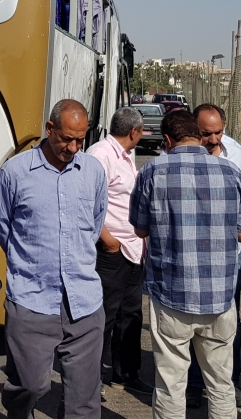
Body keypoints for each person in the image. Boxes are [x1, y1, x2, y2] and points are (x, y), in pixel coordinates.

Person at [0, 99, 108, 419]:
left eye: (80, 140)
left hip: (84, 300)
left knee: (84, 401)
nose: (72, 147)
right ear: (49, 128)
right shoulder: (15, 171)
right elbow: (1, 225)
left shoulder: (93, 171)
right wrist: (28, 262)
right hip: (31, 299)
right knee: (29, 386)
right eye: (66, 138)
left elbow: (95, 223)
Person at [130, 110, 241, 419]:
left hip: (171, 292)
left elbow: (140, 229)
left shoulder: (153, 171)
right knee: (221, 384)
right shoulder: (232, 173)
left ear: (167, 140)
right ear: (199, 134)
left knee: (170, 383)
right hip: (220, 296)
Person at [85, 107, 153, 397]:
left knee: (131, 314)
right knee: (105, 317)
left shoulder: (124, 155)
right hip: (112, 250)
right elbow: (85, 202)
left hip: (134, 249)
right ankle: (92, 379)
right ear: (134, 132)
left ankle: (126, 372)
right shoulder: (100, 155)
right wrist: (108, 240)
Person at [187, 104, 241, 409]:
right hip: (192, 253)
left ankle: (229, 383)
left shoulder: (235, 154)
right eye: (206, 134)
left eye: (218, 132)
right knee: (188, 321)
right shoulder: (180, 156)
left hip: (227, 257)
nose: (213, 140)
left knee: (229, 322)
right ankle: (193, 384)